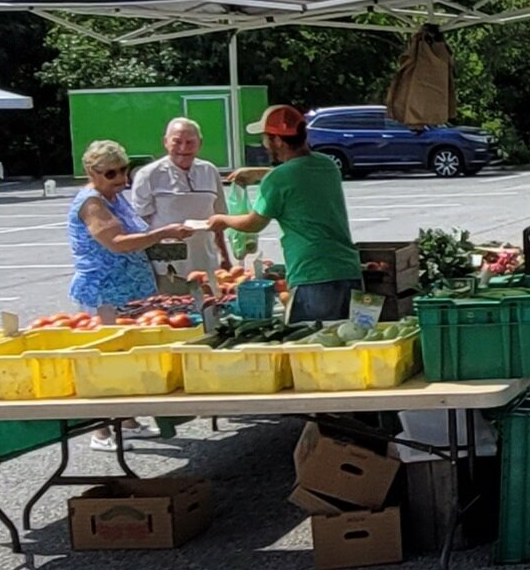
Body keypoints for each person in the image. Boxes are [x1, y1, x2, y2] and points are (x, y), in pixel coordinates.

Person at [69, 139, 192, 450]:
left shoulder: (114, 197)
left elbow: (135, 233)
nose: (122, 178)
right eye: (111, 173)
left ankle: (127, 421)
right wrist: (163, 233)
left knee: (130, 357)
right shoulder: (92, 203)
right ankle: (101, 431)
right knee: (109, 360)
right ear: (92, 172)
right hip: (105, 292)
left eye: (124, 170)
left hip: (132, 289)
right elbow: (119, 242)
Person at [207, 104, 362, 322]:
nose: (263, 144)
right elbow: (299, 173)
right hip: (348, 270)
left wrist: (222, 219)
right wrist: (259, 173)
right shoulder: (327, 165)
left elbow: (253, 224)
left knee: (313, 346)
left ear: (277, 140)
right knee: (346, 340)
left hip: (312, 275)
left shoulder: (279, 179)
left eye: (265, 138)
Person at [131, 118, 231, 286]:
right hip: (167, 268)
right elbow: (139, 224)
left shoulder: (209, 170)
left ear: (200, 143)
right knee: (171, 312)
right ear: (165, 142)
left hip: (207, 265)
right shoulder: (148, 174)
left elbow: (218, 219)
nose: (183, 148)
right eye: (177, 142)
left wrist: (225, 257)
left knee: (211, 310)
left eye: (190, 142)